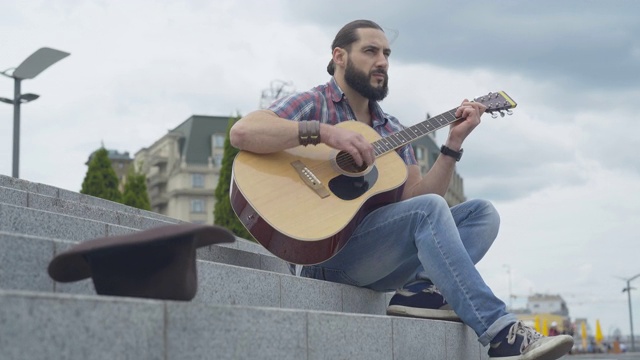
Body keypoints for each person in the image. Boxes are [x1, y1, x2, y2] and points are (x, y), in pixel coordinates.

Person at [230, 19, 574, 359]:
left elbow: (418, 199)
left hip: (376, 257)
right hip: (323, 254)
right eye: (370, 51)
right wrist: (325, 133)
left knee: (482, 213)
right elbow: (243, 133)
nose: (382, 61)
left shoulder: (393, 130)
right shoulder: (314, 103)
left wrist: (452, 145)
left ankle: (421, 292)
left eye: (387, 54)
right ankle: (502, 333)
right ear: (339, 56)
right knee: (429, 211)